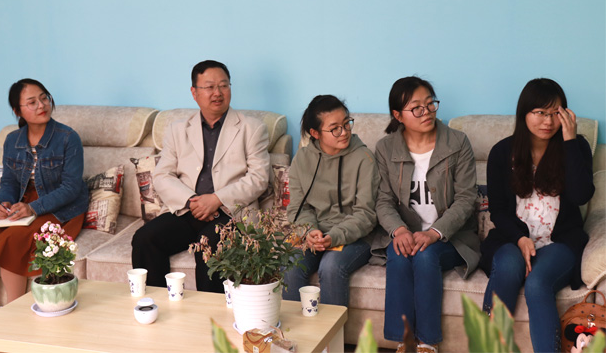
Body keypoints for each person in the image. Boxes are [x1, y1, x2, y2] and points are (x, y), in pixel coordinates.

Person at [131, 60, 270, 292]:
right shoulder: (177, 129)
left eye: (223, 85)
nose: (218, 93)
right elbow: (162, 175)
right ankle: (157, 303)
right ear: (194, 92)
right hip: (189, 209)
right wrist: (191, 201)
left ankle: (210, 312)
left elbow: (259, 178)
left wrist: (216, 199)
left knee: (209, 245)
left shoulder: (252, 128)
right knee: (145, 238)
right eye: (210, 87)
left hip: (231, 213)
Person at [0, 78, 89, 324]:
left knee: (13, 238)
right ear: (18, 111)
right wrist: (5, 203)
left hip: (60, 206)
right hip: (23, 202)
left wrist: (33, 208)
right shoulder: (12, 140)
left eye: (44, 98)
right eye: (32, 102)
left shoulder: (68, 138)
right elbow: (9, 181)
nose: (42, 105)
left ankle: (13, 313)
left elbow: (71, 188)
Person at [480, 78, 594, 353]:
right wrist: (520, 238)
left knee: (538, 283)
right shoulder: (502, 152)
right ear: (524, 113)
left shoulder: (576, 147)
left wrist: (570, 141)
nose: (548, 121)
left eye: (555, 113)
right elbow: (498, 210)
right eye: (540, 112)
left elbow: (581, 196)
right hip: (512, 239)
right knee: (508, 265)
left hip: (560, 243)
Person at [370, 76, 480, 353]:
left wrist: (434, 233)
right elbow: (383, 200)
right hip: (407, 234)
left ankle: (428, 344)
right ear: (398, 115)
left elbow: (467, 198)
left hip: (452, 238)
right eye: (417, 108)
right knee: (399, 254)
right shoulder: (386, 148)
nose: (427, 112)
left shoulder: (457, 142)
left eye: (430, 104)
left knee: (426, 254)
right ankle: (404, 342)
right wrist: (399, 230)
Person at [283, 95, 379, 307]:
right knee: (290, 263)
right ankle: (294, 328)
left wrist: (333, 237)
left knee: (331, 266)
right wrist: (309, 232)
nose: (344, 132)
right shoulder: (302, 159)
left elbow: (366, 214)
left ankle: (333, 330)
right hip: (315, 234)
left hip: (355, 236)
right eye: (335, 128)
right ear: (315, 133)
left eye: (346, 124)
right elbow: (298, 208)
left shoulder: (364, 158)